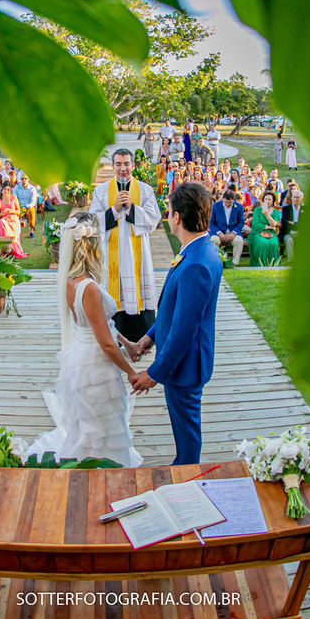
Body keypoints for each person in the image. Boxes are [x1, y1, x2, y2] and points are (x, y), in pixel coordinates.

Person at [24, 213, 143, 468]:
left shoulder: (70, 281)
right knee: (101, 421)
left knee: (90, 423)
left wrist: (129, 343)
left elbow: (98, 324)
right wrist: (131, 372)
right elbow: (106, 343)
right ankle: (102, 467)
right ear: (91, 249)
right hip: (96, 365)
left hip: (81, 356)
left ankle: (90, 464)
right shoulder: (88, 287)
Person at [125, 183, 221, 465]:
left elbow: (184, 330)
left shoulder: (197, 264)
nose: (167, 215)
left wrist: (154, 373)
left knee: (187, 431)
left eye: (168, 210)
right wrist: (149, 337)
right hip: (180, 361)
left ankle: (187, 472)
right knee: (183, 426)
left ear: (177, 217)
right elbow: (175, 309)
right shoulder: (195, 251)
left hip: (186, 366)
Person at [89, 149, 162, 340]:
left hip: (136, 253)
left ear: (133, 165)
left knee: (136, 289)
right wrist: (113, 210)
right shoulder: (101, 191)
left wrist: (132, 208)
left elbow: (154, 220)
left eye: (127, 164)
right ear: (112, 166)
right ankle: (114, 336)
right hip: (109, 254)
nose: (123, 169)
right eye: (119, 164)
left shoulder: (145, 190)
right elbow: (93, 221)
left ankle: (140, 335)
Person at [208, 187, 246, 265]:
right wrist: (219, 233)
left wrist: (234, 232)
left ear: (233, 200)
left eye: (230, 203)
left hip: (233, 232)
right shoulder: (215, 206)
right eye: (226, 202)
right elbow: (211, 223)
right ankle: (217, 261)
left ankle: (234, 263)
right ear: (223, 199)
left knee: (239, 241)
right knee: (214, 240)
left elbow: (241, 222)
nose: (228, 204)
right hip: (218, 232)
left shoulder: (239, 207)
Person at [248, 191, 282, 266]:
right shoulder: (257, 210)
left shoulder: (275, 211)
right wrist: (267, 226)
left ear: (273, 201)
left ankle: (273, 264)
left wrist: (267, 214)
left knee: (273, 243)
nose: (267, 201)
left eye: (269, 199)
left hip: (271, 232)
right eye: (266, 199)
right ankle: (260, 264)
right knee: (262, 243)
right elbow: (255, 224)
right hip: (258, 232)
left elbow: (274, 224)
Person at [0, 184, 27, 259]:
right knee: (1, 222)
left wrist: (10, 211)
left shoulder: (13, 198)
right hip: (4, 219)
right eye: (5, 189)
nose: (6, 191)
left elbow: (18, 212)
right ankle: (5, 247)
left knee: (1, 222)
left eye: (8, 189)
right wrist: (3, 213)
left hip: (13, 219)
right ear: (2, 190)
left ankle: (10, 247)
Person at [13, 175, 39, 239]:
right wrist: (18, 206)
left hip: (28, 206)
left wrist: (27, 206)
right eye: (22, 179)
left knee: (32, 210)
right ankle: (16, 231)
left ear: (28, 179)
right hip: (19, 206)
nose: (24, 180)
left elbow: (33, 201)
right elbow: (14, 197)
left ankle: (31, 231)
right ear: (20, 180)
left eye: (25, 178)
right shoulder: (17, 188)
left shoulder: (32, 188)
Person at [279, 188, 303, 259]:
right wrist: (297, 224)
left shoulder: (305, 209)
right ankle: (291, 262)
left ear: (301, 199)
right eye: (294, 197)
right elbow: (285, 224)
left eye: (297, 197)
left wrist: (293, 223)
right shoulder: (286, 209)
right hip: (288, 233)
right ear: (291, 198)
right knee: (289, 240)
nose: (295, 199)